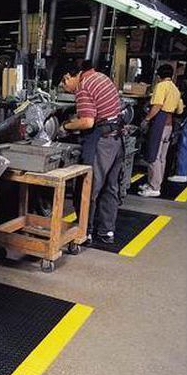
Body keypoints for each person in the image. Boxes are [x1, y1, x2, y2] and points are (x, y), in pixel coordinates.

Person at [59, 61, 123, 244]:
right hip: (116, 138)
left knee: (88, 187)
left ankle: (84, 232)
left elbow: (87, 122)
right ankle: (107, 231)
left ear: (69, 77)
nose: (65, 88)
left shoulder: (83, 86)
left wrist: (66, 126)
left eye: (64, 83)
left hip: (102, 142)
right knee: (110, 187)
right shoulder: (101, 77)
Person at [138, 64, 185, 197]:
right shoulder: (175, 89)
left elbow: (157, 105)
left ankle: (154, 187)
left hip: (159, 123)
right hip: (170, 125)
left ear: (158, 76)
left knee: (153, 156)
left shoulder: (161, 86)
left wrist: (147, 119)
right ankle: (155, 183)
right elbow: (180, 110)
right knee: (162, 158)